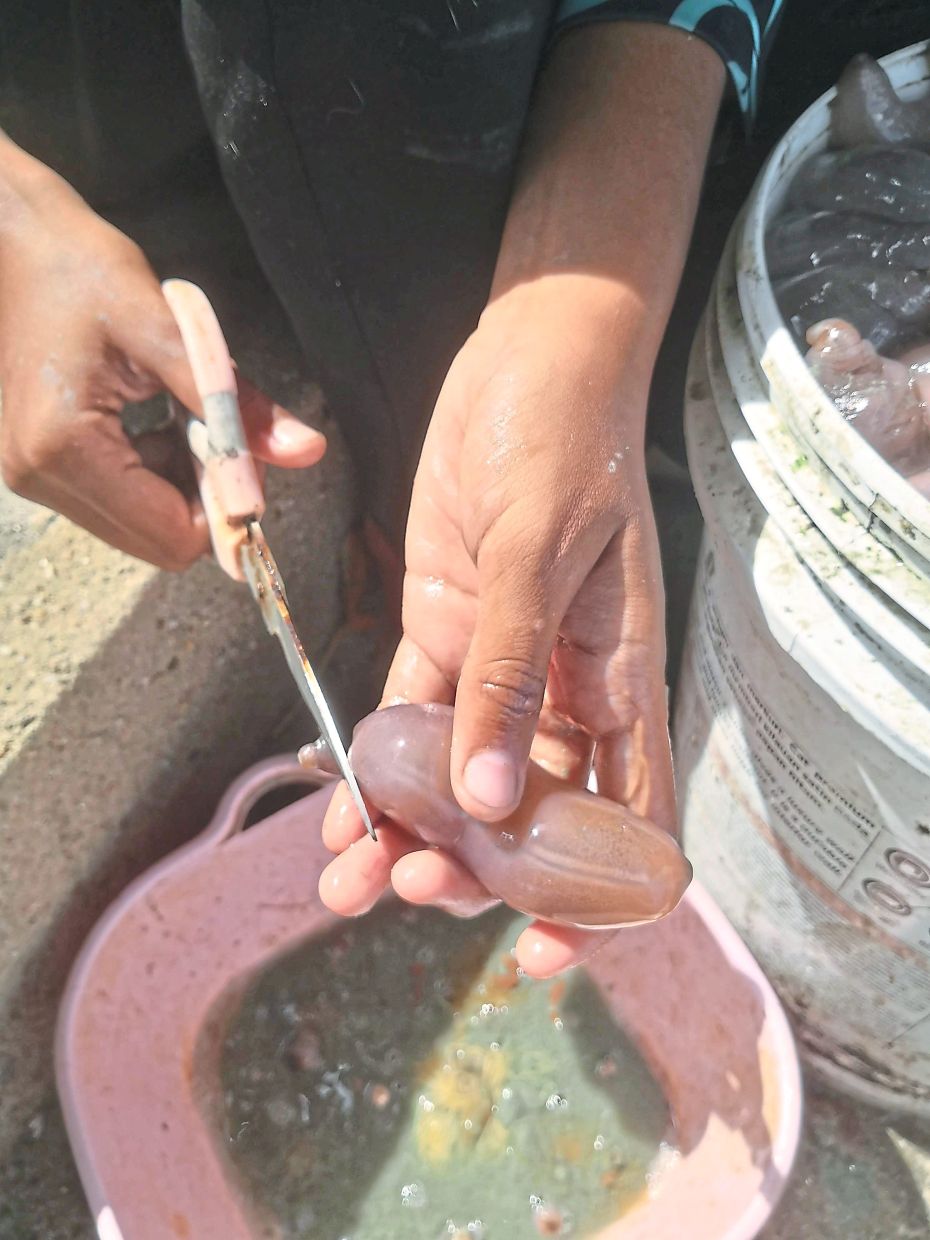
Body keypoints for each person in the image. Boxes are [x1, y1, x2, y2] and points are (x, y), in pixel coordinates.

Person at [0, 2, 782, 976]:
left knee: (428, 438)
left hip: (507, 138)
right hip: (110, 116)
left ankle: (384, 549)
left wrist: (577, 312)